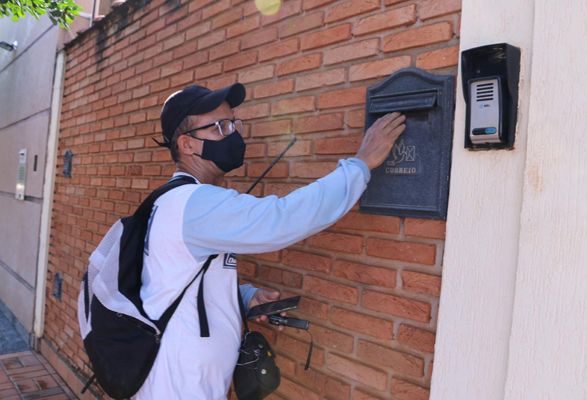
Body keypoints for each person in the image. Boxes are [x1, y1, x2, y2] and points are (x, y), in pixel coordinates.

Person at [133, 83, 406, 399]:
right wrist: (360, 165)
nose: (233, 133)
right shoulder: (194, 204)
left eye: (233, 122)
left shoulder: (170, 201)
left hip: (178, 377)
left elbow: (173, 280)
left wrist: (243, 297)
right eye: (220, 127)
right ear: (188, 144)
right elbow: (282, 219)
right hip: (178, 384)